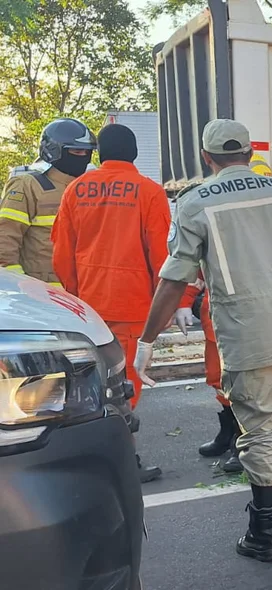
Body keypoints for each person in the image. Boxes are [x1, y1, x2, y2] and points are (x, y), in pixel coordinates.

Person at [133, 118, 272, 562]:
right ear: (250, 152)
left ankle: (265, 535)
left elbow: (175, 279)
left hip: (249, 335)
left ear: (207, 157)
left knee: (260, 432)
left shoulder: (195, 203)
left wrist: (147, 340)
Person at [172, 154, 272, 475]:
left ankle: (248, 443)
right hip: (225, 320)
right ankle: (230, 433)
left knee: (264, 401)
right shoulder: (223, 217)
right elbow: (196, 267)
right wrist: (185, 301)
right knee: (220, 380)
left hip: (256, 323)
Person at [50, 123, 169, 483]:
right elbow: (162, 257)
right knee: (124, 388)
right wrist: (161, 305)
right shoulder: (149, 192)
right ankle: (122, 463)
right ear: (134, 154)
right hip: (133, 307)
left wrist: (76, 294)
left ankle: (89, 459)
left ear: (99, 154)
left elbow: (61, 253)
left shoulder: (75, 189)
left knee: (87, 384)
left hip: (87, 307)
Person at [1, 118, 97, 287]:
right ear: (54, 151)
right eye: (76, 152)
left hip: (82, 296)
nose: (84, 157)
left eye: (87, 152)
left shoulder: (90, 188)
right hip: (41, 299)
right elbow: (5, 239)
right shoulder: (27, 185)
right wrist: (19, 287)